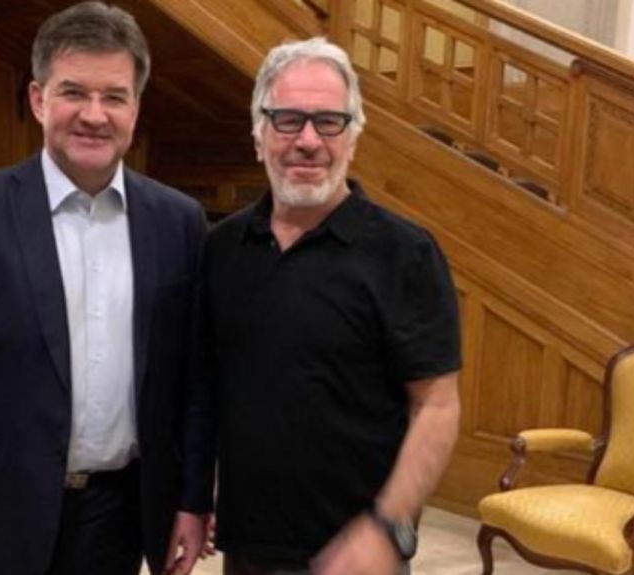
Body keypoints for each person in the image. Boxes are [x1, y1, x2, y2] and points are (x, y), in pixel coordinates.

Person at [0, 3, 211, 574]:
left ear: (136, 108)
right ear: (39, 99)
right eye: (74, 93)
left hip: (123, 514)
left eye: (114, 96)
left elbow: (192, 379)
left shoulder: (179, 221)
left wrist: (192, 500)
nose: (94, 115)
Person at [178, 37, 462, 575]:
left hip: (357, 555)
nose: (308, 141)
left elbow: (437, 405)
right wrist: (194, 499)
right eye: (288, 120)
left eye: (329, 122)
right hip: (248, 548)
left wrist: (388, 525)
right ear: (259, 135)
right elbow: (207, 388)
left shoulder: (406, 254)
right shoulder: (223, 248)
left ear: (352, 138)